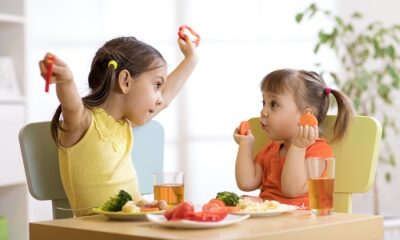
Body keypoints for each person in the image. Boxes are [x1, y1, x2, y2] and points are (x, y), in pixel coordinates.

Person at [39, 35, 198, 216]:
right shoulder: (82, 123)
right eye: (157, 85)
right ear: (125, 81)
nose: (160, 98)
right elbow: (71, 105)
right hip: (96, 232)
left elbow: (166, 98)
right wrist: (65, 80)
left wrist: (191, 59)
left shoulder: (125, 124)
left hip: (133, 227)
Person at [233, 69, 353, 208]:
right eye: (263, 102)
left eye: (274, 104)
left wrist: (298, 147)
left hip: (303, 223)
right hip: (273, 222)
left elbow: (291, 190)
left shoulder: (318, 151)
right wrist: (245, 145)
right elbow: (246, 183)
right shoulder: (271, 149)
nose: (263, 112)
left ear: (305, 116)